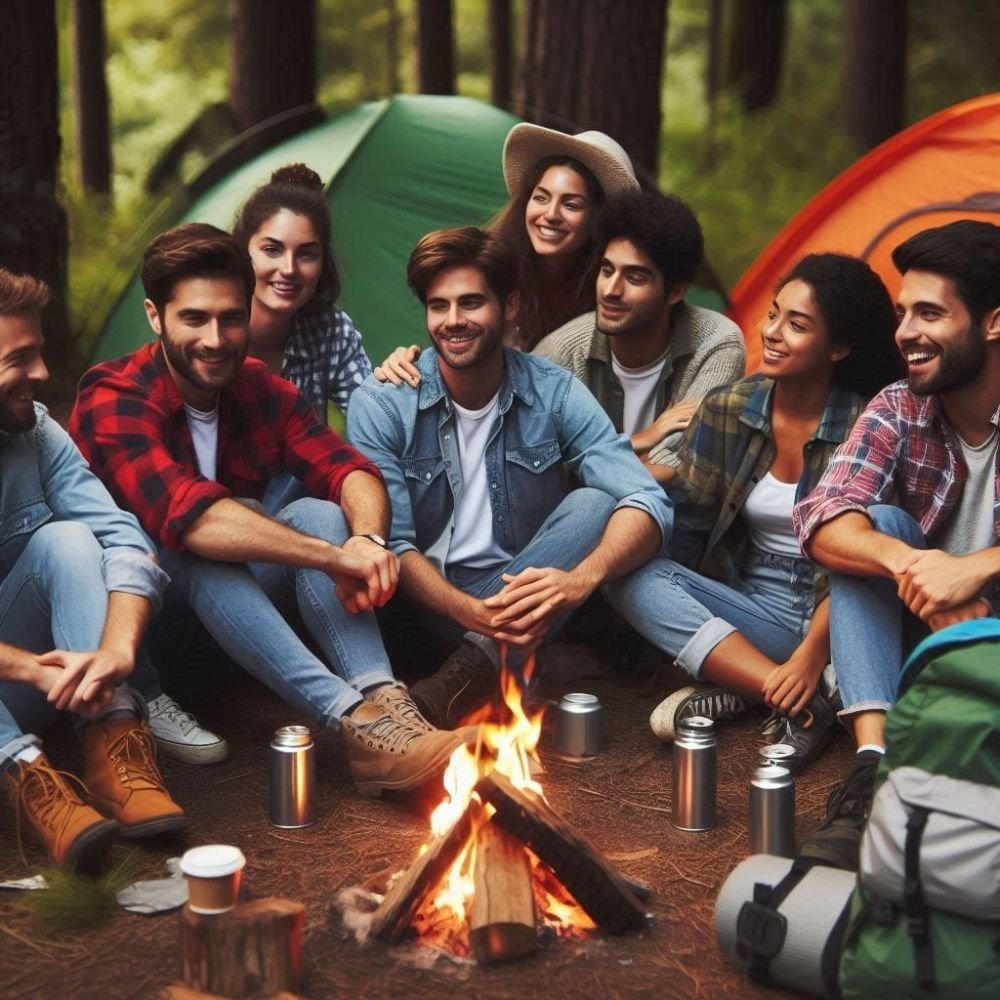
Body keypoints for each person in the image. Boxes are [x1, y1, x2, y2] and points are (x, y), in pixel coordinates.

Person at [70, 224, 472, 798]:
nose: (216, 339)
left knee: (320, 513)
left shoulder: (260, 388)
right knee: (200, 545)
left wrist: (366, 543)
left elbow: (352, 469)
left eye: (231, 318)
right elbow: (193, 519)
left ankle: (386, 702)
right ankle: (354, 724)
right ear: (155, 317)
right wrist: (333, 560)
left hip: (242, 636)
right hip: (146, 648)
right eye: (194, 319)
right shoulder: (114, 395)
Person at [347, 226, 673, 728]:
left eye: (472, 303)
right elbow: (392, 546)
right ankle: (492, 668)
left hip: (519, 597)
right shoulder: (384, 401)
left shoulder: (554, 392)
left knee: (595, 504)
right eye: (439, 306)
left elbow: (647, 500)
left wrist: (578, 580)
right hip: (423, 608)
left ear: (511, 306)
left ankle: (467, 677)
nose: (453, 321)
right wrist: (469, 613)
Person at [604, 254, 904, 774]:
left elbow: (863, 557)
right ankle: (785, 693)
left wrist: (811, 653)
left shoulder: (868, 423)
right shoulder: (729, 407)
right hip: (751, 600)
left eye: (798, 324)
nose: (773, 332)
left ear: (838, 347)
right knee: (624, 569)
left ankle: (777, 680)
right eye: (773, 314)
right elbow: (690, 517)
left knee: (858, 562)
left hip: (837, 612)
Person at [793, 219, 1000, 868]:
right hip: (917, 641)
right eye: (903, 312)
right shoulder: (898, 406)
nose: (905, 332)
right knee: (870, 522)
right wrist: (915, 566)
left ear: (993, 323)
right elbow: (821, 517)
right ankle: (872, 772)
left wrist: (973, 570)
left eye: (929, 313)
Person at [0, 267, 184, 873]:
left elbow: (122, 537)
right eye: (18, 358)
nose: (43, 374)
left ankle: (114, 748)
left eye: (39, 352)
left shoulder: (36, 432)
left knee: (69, 538)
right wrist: (30, 666)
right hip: (28, 679)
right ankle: (27, 777)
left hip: (43, 685)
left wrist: (116, 650)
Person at [373, 124, 640, 380]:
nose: (550, 215)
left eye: (571, 204)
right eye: (541, 197)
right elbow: (458, 339)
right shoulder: (490, 264)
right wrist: (410, 358)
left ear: (598, 218)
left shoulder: (612, 290)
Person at [533, 189, 745, 476]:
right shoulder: (560, 352)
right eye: (607, 271)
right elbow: (537, 467)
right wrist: (641, 441)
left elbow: (677, 463)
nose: (611, 291)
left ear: (675, 292)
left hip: (684, 517)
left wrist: (588, 462)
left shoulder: (716, 343)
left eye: (634, 278)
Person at [231, 162, 372, 421]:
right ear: (242, 252)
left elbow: (376, 421)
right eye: (272, 250)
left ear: (322, 263)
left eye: (306, 254)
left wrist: (401, 382)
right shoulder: (210, 331)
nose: (289, 269)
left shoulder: (329, 329)